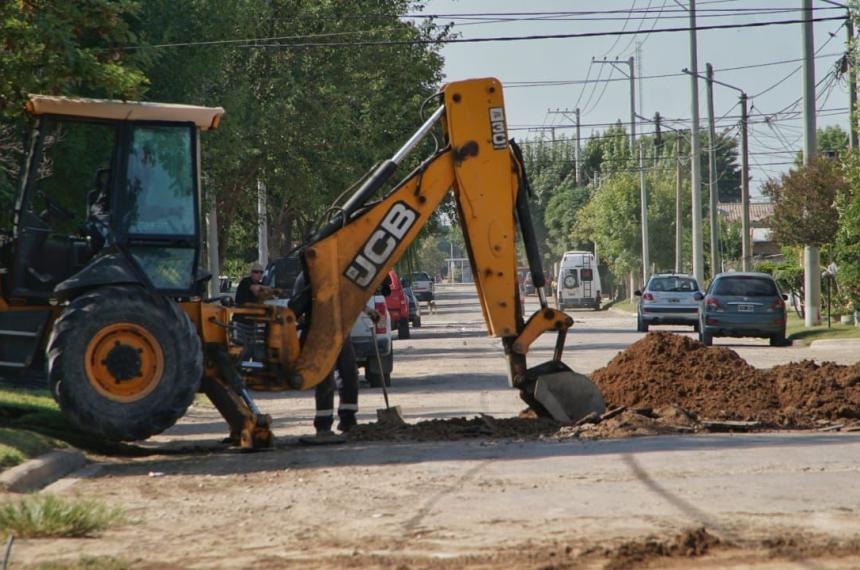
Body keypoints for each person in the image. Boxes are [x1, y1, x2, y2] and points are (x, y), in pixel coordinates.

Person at [292, 271, 361, 444]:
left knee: (350, 372)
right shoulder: (306, 278)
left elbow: (350, 298)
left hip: (340, 331)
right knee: (325, 378)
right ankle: (323, 424)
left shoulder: (339, 273)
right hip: (319, 333)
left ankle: (348, 419)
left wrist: (367, 310)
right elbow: (296, 307)